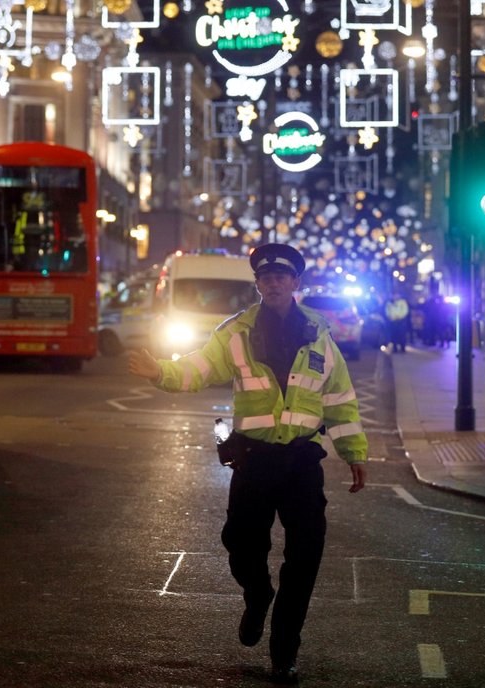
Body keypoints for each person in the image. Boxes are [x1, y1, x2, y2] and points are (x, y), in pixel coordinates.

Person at [128, 243, 368, 684]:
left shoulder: (319, 332)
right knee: (241, 543)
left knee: (306, 556)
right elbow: (199, 368)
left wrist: (354, 453)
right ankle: (257, 596)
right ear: (257, 283)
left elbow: (340, 400)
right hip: (254, 460)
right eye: (266, 277)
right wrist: (161, 372)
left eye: (282, 276)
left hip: (300, 462)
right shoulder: (234, 332)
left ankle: (284, 652)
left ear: (296, 283)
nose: (273, 282)